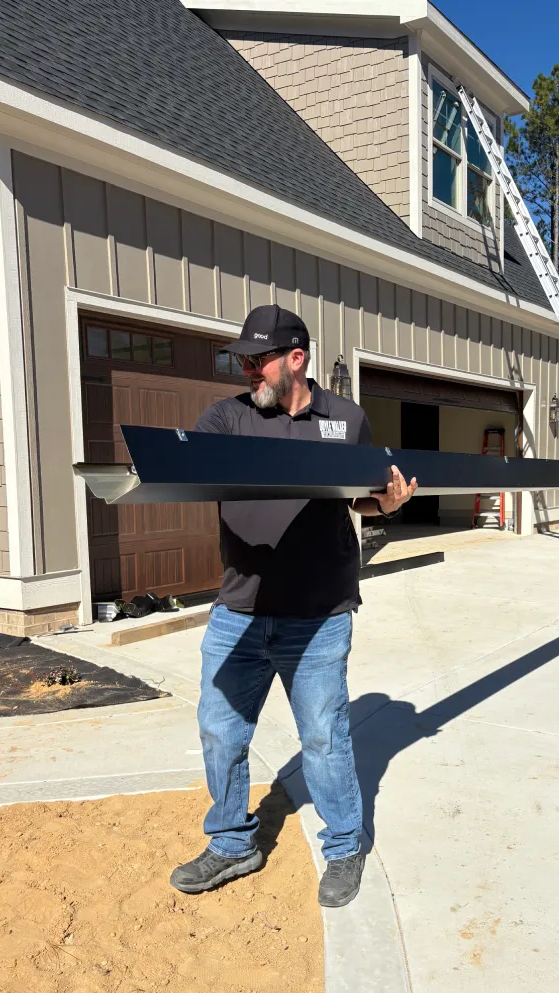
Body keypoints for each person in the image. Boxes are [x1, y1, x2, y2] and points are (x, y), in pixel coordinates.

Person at [170, 305, 417, 908]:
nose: (248, 370)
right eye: (243, 361)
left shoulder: (347, 419)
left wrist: (386, 505)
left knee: (325, 739)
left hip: (319, 613)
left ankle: (344, 849)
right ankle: (232, 844)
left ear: (296, 360)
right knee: (220, 730)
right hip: (241, 610)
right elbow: (183, 468)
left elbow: (360, 499)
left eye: (258, 360)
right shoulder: (225, 420)